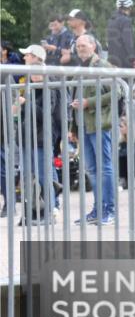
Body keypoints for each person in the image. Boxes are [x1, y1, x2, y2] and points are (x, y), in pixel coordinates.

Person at [69, 34, 117, 225]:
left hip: (100, 124)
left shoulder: (102, 65)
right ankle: (98, 209)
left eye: (83, 45)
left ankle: (109, 210)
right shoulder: (80, 68)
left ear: (93, 46)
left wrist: (89, 102)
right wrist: (73, 127)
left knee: (104, 167)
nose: (80, 48)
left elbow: (117, 91)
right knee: (92, 170)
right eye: (78, 45)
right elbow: (75, 100)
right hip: (84, 126)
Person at [14, 44, 62, 224]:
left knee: (44, 176)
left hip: (42, 139)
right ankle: (35, 212)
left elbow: (45, 114)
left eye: (36, 72)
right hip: (28, 139)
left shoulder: (50, 87)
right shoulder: (31, 87)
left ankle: (49, 211)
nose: (32, 75)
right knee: (29, 177)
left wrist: (26, 103)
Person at [106, 0, 135, 67]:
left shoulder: (111, 21)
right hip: (124, 61)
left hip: (112, 59)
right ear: (129, 8)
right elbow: (128, 41)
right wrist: (133, 58)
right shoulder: (126, 21)